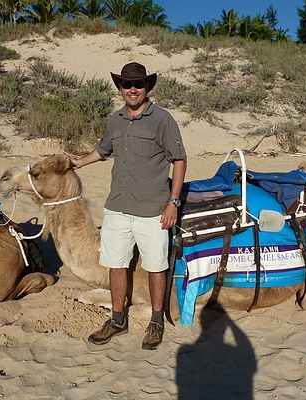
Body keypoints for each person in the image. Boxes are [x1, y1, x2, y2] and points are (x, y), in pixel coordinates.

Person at [71, 62, 187, 350]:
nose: (132, 89)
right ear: (120, 88)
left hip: (152, 210)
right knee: (116, 264)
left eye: (138, 84)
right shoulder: (117, 119)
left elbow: (179, 160)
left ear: (146, 87)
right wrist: (80, 162)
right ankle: (118, 319)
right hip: (117, 208)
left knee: (156, 267)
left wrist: (173, 202)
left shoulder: (162, 119)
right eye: (127, 84)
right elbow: (103, 149)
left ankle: (156, 321)